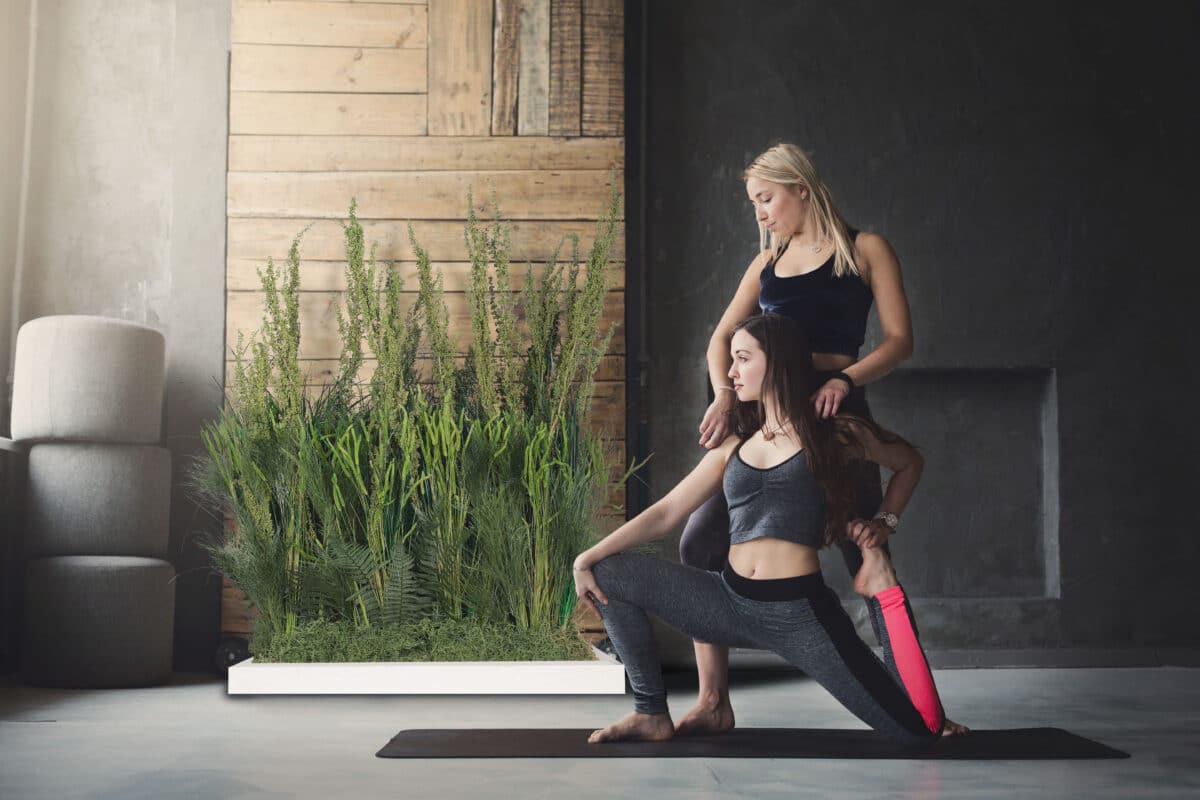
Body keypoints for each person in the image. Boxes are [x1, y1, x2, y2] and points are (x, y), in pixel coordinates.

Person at [679, 142, 966, 737]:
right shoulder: (765, 265)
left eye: (766, 199)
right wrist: (726, 395)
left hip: (834, 415)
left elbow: (898, 342)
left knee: (869, 552)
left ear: (800, 188)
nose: (760, 214)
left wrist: (843, 378)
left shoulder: (865, 250)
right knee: (699, 545)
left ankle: (924, 710)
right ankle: (713, 701)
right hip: (769, 427)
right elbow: (720, 339)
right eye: (753, 203)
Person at [572, 314, 953, 746]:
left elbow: (909, 463)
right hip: (730, 602)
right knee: (607, 573)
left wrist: (884, 522)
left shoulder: (837, 434)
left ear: (778, 363)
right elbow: (666, 512)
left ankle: (886, 593)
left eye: (742, 358)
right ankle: (650, 712)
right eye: (732, 360)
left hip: (800, 615)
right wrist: (587, 557)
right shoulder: (734, 443)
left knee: (919, 733)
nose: (731, 373)